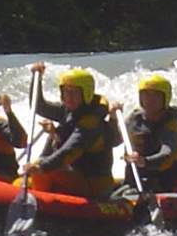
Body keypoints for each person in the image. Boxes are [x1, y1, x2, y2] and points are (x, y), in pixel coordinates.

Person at [21, 62, 115, 198]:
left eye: (74, 92)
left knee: (42, 169)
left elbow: (70, 150)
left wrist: (41, 167)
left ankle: (40, 206)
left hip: (94, 186)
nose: (69, 97)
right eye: (66, 91)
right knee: (23, 181)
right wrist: (37, 79)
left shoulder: (92, 122)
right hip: (71, 176)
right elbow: (39, 106)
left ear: (86, 94)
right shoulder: (67, 110)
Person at [109, 74, 177, 192]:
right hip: (135, 182)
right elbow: (114, 141)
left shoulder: (171, 126)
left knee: (127, 193)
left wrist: (145, 162)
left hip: (162, 185)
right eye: (146, 95)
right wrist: (113, 119)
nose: (149, 100)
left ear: (165, 98)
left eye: (155, 96)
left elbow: (168, 155)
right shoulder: (135, 119)